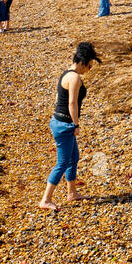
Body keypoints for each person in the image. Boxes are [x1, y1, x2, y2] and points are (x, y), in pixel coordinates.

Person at [39, 42, 100, 210]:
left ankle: (71, 193)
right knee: (63, 162)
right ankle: (46, 199)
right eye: (89, 66)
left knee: (73, 157)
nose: (88, 70)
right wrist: (75, 124)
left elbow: (61, 99)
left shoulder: (66, 73)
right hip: (65, 124)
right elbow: (72, 103)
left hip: (59, 121)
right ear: (82, 63)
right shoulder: (74, 78)